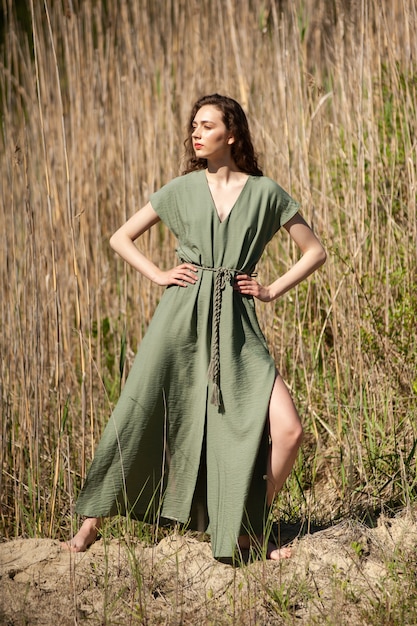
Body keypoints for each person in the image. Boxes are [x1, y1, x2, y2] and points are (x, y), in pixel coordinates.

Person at [64, 93, 326, 561]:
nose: (196, 133)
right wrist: (160, 274)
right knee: (139, 411)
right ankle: (90, 523)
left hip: (237, 325)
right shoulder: (181, 189)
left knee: (288, 430)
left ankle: (247, 527)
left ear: (232, 133)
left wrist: (270, 290)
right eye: (193, 126)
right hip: (180, 318)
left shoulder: (266, 193)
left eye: (206, 125)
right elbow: (120, 237)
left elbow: (315, 251)